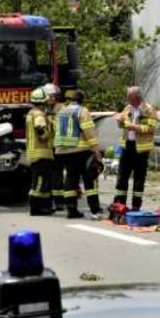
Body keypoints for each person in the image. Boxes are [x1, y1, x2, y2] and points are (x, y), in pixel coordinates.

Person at [53, 90, 102, 219]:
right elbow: (89, 131)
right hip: (80, 149)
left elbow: (55, 129)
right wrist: (95, 149)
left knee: (70, 179)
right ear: (81, 100)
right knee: (89, 179)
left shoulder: (61, 112)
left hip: (63, 150)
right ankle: (95, 209)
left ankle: (71, 209)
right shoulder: (82, 111)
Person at [115, 86, 158, 210]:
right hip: (127, 146)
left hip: (141, 149)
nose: (127, 99)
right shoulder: (128, 108)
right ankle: (120, 204)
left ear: (138, 97)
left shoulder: (148, 110)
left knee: (139, 178)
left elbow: (152, 128)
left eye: (130, 96)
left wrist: (136, 128)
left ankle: (136, 205)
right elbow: (122, 123)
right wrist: (120, 122)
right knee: (122, 176)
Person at [26, 87, 55, 216]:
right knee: (40, 181)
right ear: (43, 102)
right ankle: (36, 208)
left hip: (36, 152)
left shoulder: (31, 112)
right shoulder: (39, 114)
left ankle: (44, 207)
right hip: (41, 152)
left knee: (42, 180)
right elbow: (40, 130)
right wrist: (48, 133)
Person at [42, 83, 66, 211]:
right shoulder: (40, 109)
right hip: (45, 148)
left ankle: (59, 202)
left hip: (57, 147)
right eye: (50, 96)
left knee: (57, 175)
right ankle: (47, 202)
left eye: (54, 96)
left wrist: (50, 120)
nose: (52, 98)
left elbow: (61, 126)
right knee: (46, 175)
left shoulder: (61, 108)